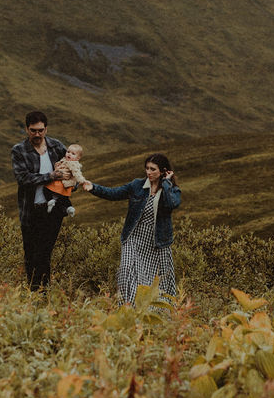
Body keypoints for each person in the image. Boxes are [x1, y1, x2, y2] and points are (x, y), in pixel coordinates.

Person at [82, 153, 181, 305]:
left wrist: (167, 183)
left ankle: (151, 312)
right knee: (125, 271)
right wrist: (93, 187)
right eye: (147, 168)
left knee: (154, 281)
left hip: (157, 242)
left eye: (153, 169)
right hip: (133, 237)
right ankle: (127, 307)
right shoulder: (137, 185)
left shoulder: (172, 190)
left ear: (162, 171)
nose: (148, 172)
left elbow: (172, 204)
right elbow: (114, 193)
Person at [11, 111, 68, 290]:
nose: (37, 134)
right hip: (30, 210)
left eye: (41, 130)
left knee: (44, 253)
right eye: (33, 131)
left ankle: (43, 293)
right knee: (31, 255)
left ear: (46, 129)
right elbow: (23, 178)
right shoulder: (19, 150)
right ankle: (33, 292)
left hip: (52, 210)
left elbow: (71, 169)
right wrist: (50, 176)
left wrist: (69, 183)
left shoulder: (57, 147)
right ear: (27, 129)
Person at [45, 143, 87, 217]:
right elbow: (58, 165)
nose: (69, 154)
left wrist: (82, 181)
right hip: (64, 184)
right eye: (68, 152)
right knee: (63, 198)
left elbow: (77, 173)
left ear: (78, 158)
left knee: (46, 189)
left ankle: (51, 200)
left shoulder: (73, 164)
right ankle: (69, 208)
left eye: (73, 154)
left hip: (61, 183)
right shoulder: (64, 160)